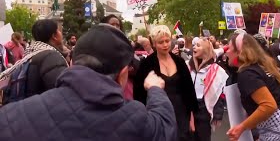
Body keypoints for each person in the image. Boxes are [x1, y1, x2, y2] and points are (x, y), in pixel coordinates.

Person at [0, 24, 177, 141]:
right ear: (123, 73)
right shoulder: (137, 118)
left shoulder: (9, 116)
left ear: (71, 63)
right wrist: (155, 89)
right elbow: (164, 128)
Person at [226, 33, 280, 141]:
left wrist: (241, 127)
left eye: (229, 48)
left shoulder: (247, 74)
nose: (226, 52)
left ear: (239, 52)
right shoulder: (261, 66)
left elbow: (268, 106)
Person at [134, 25, 198, 141]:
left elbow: (189, 91)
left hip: (182, 112)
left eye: (167, 41)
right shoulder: (146, 64)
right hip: (159, 112)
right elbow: (139, 95)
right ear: (154, 44)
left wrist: (192, 118)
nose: (165, 45)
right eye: (160, 42)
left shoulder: (180, 62)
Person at [189, 38, 227, 141]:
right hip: (189, 111)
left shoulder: (216, 70)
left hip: (203, 111)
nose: (194, 47)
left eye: (198, 45)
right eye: (194, 45)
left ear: (206, 50)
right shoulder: (189, 67)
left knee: (203, 137)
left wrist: (218, 114)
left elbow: (220, 93)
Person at [25, 19, 68, 97]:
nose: (62, 35)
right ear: (54, 36)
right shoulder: (51, 57)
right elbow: (64, 92)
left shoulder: (31, 53)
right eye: (59, 31)